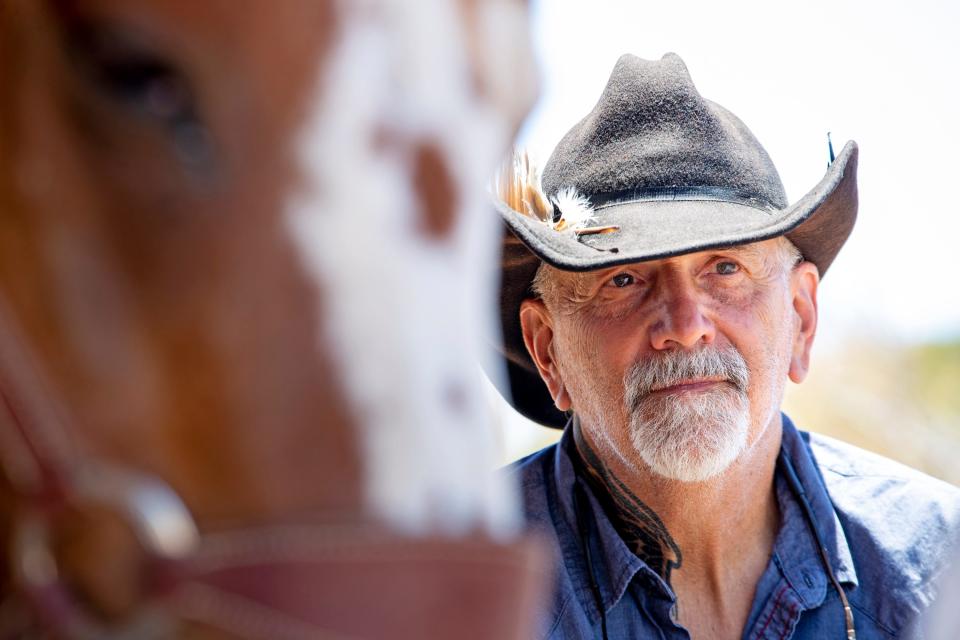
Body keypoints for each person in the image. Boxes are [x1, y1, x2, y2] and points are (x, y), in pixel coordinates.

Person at [492, 53, 960, 639]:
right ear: (547, 351)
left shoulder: (940, 571)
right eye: (622, 279)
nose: (685, 326)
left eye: (725, 269)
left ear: (801, 316)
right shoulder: (455, 592)